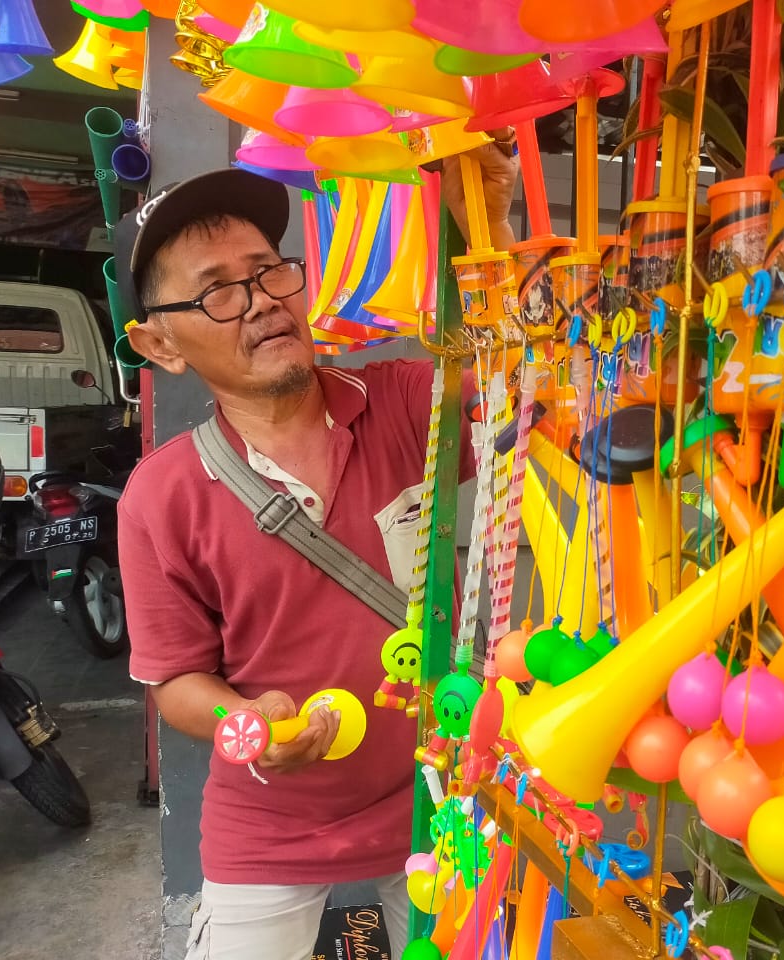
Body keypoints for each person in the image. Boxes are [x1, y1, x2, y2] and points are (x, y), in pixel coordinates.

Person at [116, 133, 520, 960]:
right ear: (160, 344)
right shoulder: (161, 497)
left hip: (440, 797)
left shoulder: (416, 403)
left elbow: (534, 378)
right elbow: (177, 679)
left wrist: (492, 226)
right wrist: (247, 720)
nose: (263, 299)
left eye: (268, 270)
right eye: (217, 293)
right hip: (271, 821)